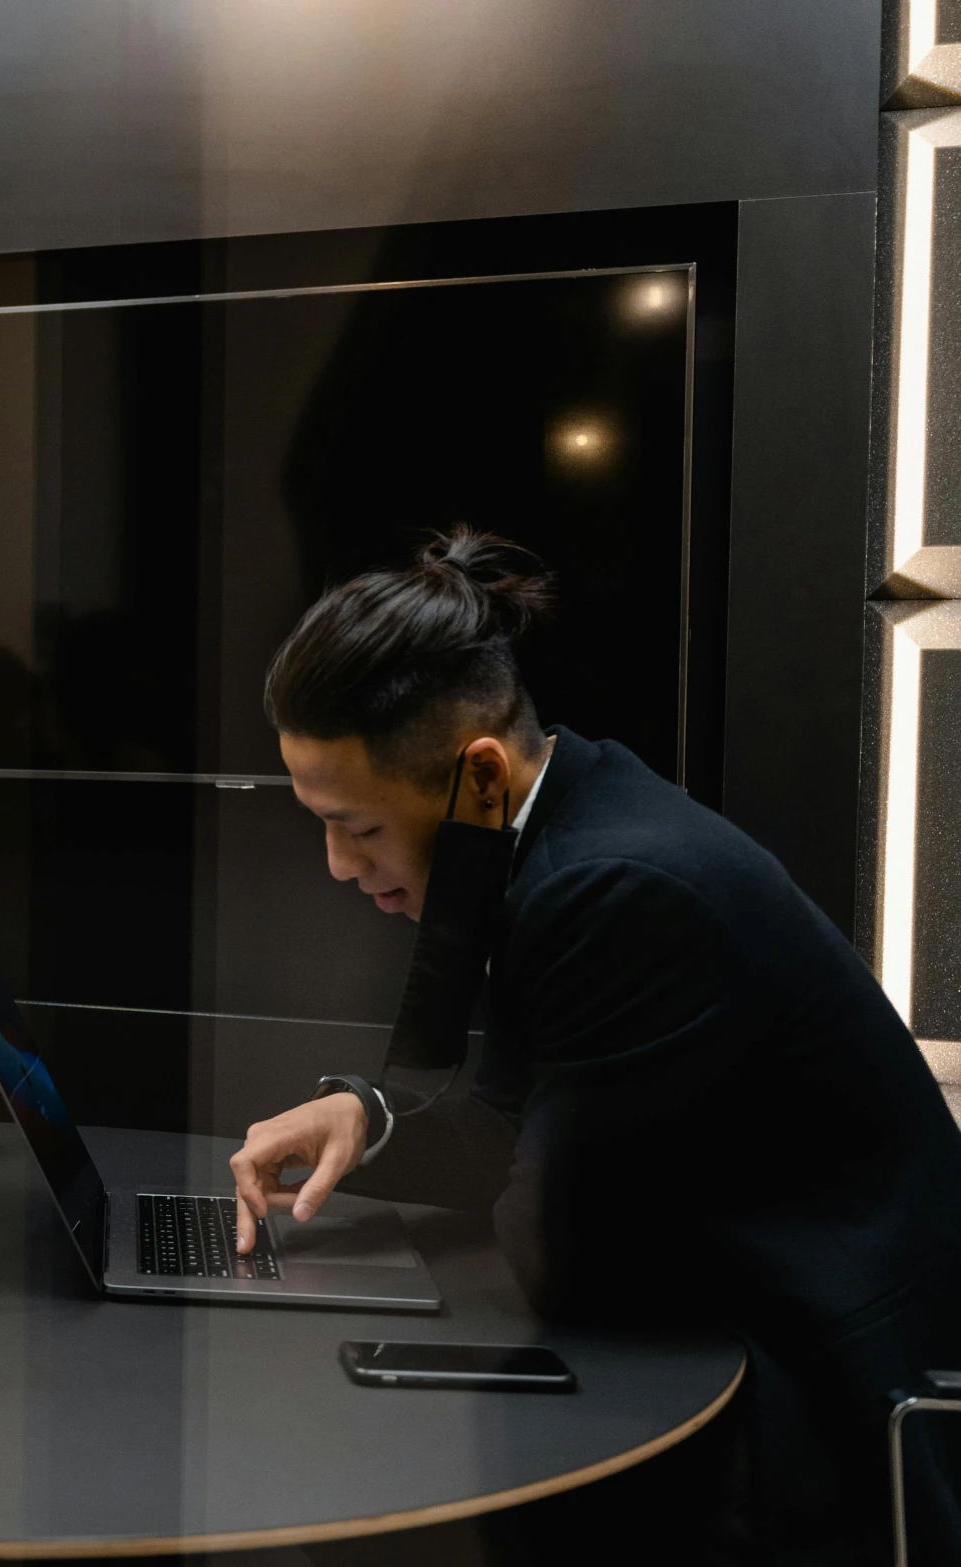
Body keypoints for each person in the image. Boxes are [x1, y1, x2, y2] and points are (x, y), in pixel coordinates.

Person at [225, 529, 961, 1563]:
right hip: (713, 1332)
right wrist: (368, 1115)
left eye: (359, 827)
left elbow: (556, 1248)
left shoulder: (615, 889)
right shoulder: (564, 820)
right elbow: (514, 1133)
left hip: (814, 1398)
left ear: (477, 773)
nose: (340, 867)